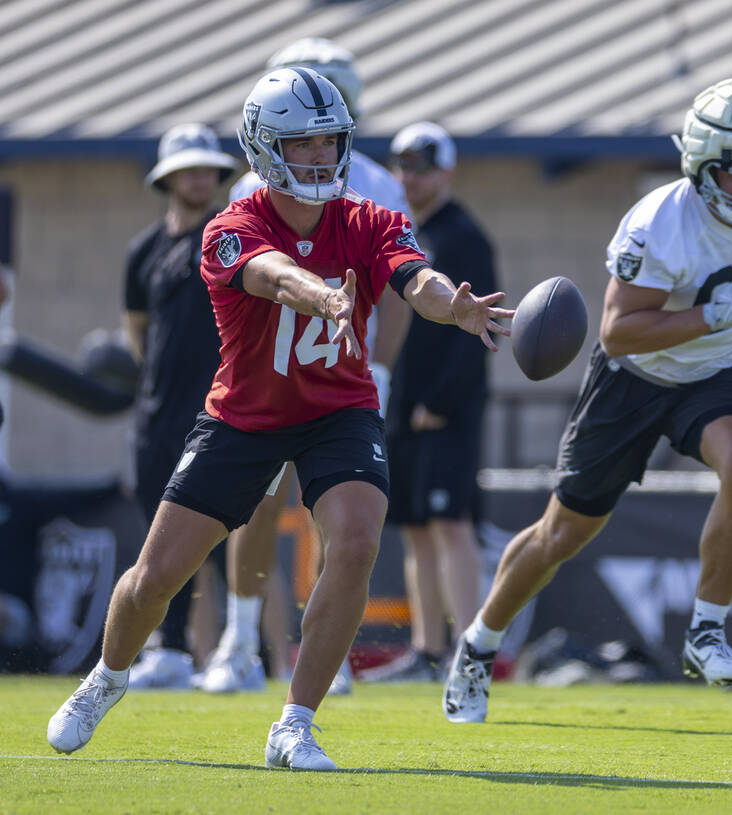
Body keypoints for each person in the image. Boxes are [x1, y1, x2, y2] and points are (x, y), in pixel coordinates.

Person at [47, 66, 512, 770]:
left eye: (331, 139)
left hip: (339, 408)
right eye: (304, 142)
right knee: (156, 574)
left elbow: (415, 278)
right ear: (265, 148)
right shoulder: (230, 227)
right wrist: (322, 296)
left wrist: (455, 306)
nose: (322, 155)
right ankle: (105, 678)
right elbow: (270, 273)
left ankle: (295, 722)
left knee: (356, 540)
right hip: (245, 415)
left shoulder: (370, 217)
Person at [441, 77, 732, 724]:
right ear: (700, 167)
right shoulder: (657, 222)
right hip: (634, 377)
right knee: (563, 533)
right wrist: (710, 313)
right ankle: (478, 645)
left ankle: (706, 629)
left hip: (716, 369)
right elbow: (619, 329)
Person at [196, 36, 411, 696]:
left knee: (337, 516)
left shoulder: (375, 183)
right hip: (267, 368)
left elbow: (403, 282)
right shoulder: (250, 187)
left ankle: (323, 652)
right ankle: (240, 636)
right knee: (255, 507)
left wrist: (377, 365)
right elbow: (242, 281)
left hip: (340, 375)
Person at [361, 122, 494, 682]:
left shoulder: (463, 236)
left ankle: (469, 652)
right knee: (416, 525)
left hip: (445, 410)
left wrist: (440, 401)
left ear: (447, 171)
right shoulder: (401, 230)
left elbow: (481, 323)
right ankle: (427, 649)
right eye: (404, 167)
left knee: (450, 523)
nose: (411, 179)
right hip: (403, 403)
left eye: (423, 167)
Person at [122, 123, 238, 689]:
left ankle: (235, 651)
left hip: (216, 410)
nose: (199, 177)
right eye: (188, 167)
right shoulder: (143, 250)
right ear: (167, 177)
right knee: (159, 533)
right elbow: (137, 330)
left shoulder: (228, 236)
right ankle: (169, 650)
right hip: (155, 414)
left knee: (214, 539)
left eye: (207, 167)